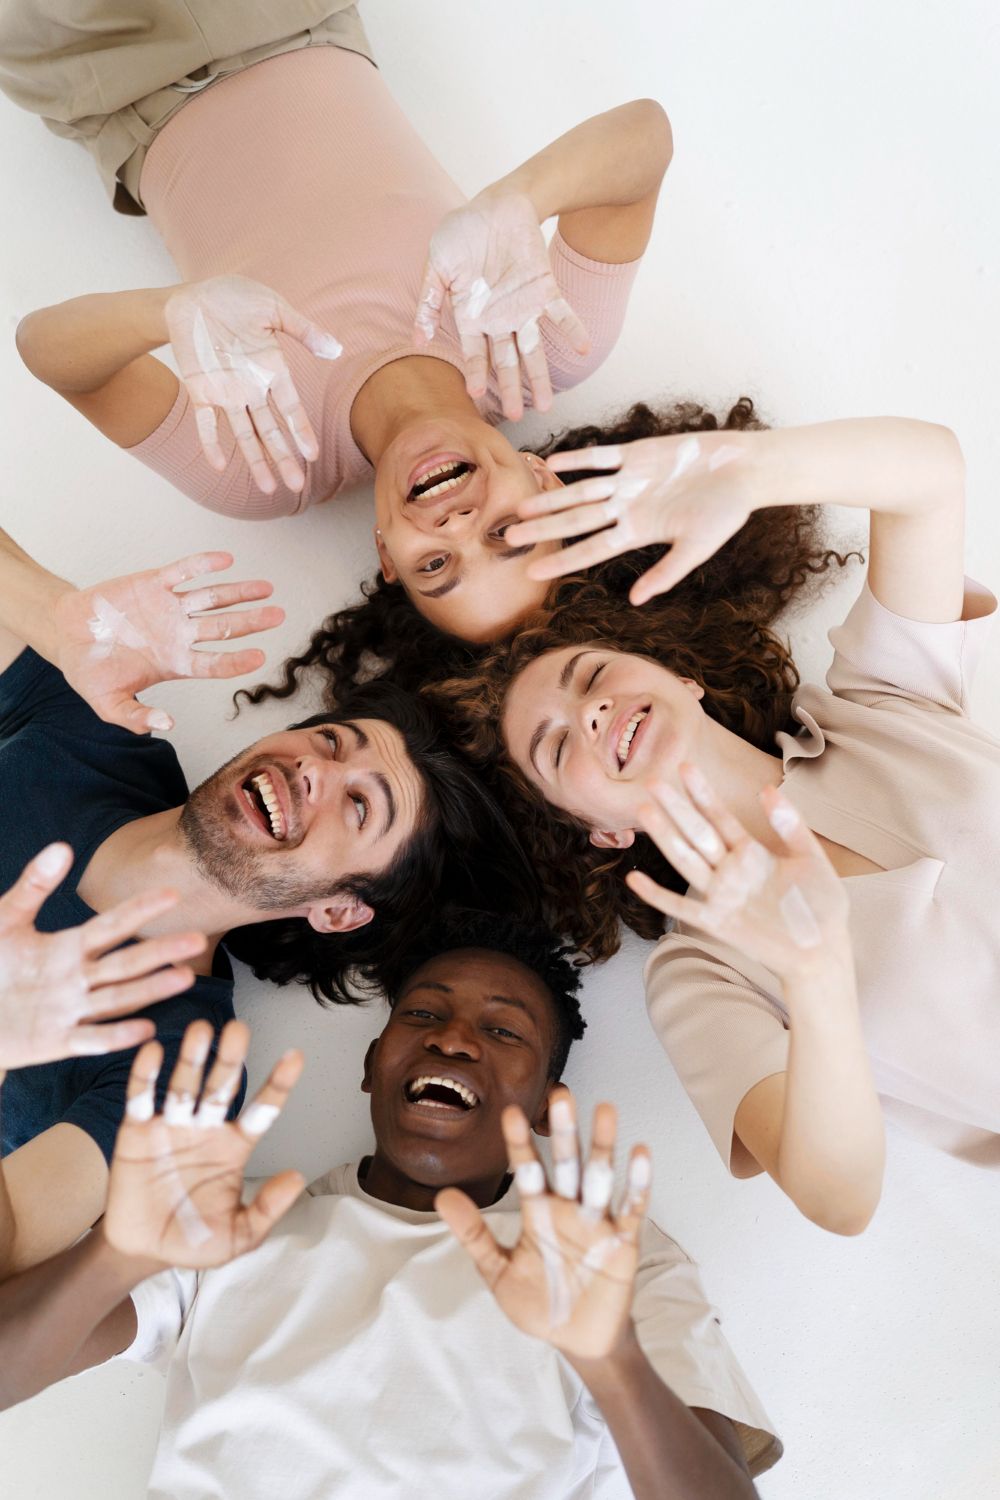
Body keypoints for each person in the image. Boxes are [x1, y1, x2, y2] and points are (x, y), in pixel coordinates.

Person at [431, 415, 1000, 1233]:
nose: (590, 713)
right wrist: (815, 972)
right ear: (599, 830)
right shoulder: (702, 972)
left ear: (680, 677)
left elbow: (934, 476)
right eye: (556, 748)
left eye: (592, 675)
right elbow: (838, 1198)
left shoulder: (877, 706)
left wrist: (751, 469)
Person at [0, 916, 781, 1497]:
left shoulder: (616, 1261)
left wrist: (612, 1361)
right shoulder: (223, 1222)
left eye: (502, 1030)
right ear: (374, 1066)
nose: (454, 1041)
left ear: (548, 1105)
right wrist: (118, 1256)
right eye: (424, 1014)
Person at [6, 3, 674, 644]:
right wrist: (521, 197)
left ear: (387, 553)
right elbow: (646, 134)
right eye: (505, 533)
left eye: (435, 565)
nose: (458, 524)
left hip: (102, 62)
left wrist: (170, 312)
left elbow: (45, 350)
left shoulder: (262, 470)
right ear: (544, 481)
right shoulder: (548, 345)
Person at [0, 533, 536, 1276]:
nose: (316, 771)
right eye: (332, 741)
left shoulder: (182, 1072)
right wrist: (61, 620)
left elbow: (10, 1244)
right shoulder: (99, 739)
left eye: (359, 807)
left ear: (339, 911)